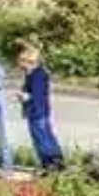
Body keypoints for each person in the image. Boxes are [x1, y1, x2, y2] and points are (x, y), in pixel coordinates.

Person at [16, 44, 63, 172]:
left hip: (38, 112)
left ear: (29, 61)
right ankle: (51, 164)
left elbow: (37, 95)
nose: (20, 66)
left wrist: (25, 96)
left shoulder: (38, 75)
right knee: (43, 137)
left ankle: (52, 164)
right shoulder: (33, 74)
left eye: (22, 62)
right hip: (36, 111)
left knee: (42, 138)